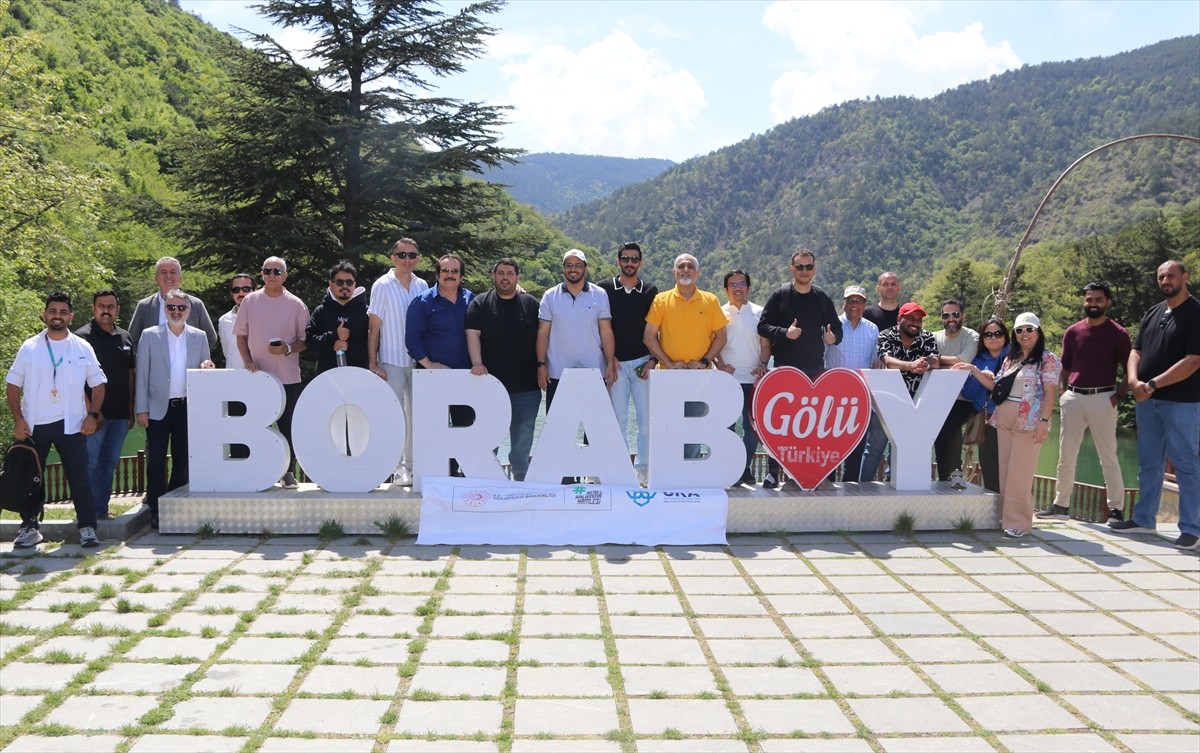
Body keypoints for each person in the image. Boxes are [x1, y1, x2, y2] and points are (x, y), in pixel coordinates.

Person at [1110, 261, 1200, 550]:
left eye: (1171, 275)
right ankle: (1144, 519)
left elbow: (1193, 360)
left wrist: (1153, 384)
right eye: (1161, 276)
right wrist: (1134, 380)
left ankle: (1192, 529)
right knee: (1148, 462)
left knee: (1186, 463)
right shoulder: (1153, 312)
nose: (1166, 280)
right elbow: (1136, 350)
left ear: (1185, 277)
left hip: (1181, 401)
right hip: (1146, 400)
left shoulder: (1196, 313)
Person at [6, 292, 106, 549]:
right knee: (30, 478)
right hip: (34, 424)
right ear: (45, 314)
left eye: (63, 312)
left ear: (70, 317)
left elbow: (98, 384)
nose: (57, 316)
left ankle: (86, 527)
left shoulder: (82, 347)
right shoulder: (29, 347)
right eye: (53, 311)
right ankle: (29, 527)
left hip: (71, 424)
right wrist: (18, 419)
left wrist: (93, 415)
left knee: (79, 476)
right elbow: (13, 385)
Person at [1037, 282, 1131, 523]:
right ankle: (1061, 505)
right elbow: (1065, 367)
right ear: (1084, 301)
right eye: (1089, 300)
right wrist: (1063, 393)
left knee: (1107, 456)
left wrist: (1118, 395)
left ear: (1107, 302)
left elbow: (1130, 369)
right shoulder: (1073, 331)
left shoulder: (1118, 334)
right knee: (1066, 455)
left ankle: (1116, 510)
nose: (1093, 304)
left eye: (1098, 300)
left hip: (1104, 398)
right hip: (1074, 398)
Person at [963, 312, 1060, 539]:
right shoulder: (1010, 359)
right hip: (1003, 417)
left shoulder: (1048, 359)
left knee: (1020, 472)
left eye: (1029, 329)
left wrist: (1044, 422)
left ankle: (1020, 522)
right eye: (1019, 330)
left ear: (1038, 332)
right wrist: (974, 371)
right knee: (1005, 470)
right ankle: (1006, 518)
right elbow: (995, 387)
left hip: (1029, 420)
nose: (1024, 334)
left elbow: (1049, 393)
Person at [757, 248, 841, 488]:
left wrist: (833, 338)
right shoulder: (781, 295)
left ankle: (814, 473)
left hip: (816, 371)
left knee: (814, 426)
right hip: (785, 369)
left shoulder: (821, 297)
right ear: (792, 268)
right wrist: (785, 333)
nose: (804, 271)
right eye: (800, 267)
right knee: (780, 425)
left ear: (814, 269)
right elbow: (762, 327)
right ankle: (774, 473)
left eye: (808, 266)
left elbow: (836, 328)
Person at [135, 289, 215, 529]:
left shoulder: (199, 336)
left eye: (181, 308)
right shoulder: (150, 335)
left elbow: (205, 371)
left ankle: (176, 505)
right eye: (171, 308)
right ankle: (157, 510)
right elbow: (142, 374)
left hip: (187, 408)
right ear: (164, 309)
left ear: (189, 311)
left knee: (183, 461)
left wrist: (207, 367)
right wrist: (141, 409)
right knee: (156, 461)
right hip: (157, 408)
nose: (176, 312)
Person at [644, 254, 729, 460]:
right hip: (668, 376)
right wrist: (668, 363)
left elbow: (722, 336)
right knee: (667, 426)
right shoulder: (661, 300)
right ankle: (668, 472)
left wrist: (704, 361)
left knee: (695, 426)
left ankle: (691, 471)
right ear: (674, 272)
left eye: (690, 266)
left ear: (697, 273)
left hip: (699, 377)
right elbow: (649, 336)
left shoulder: (710, 300)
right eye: (680, 266)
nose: (685, 270)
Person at [235, 256, 309, 489]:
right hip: (257, 376)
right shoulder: (250, 301)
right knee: (255, 425)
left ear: (285, 275)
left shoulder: (296, 304)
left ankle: (288, 472)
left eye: (277, 271)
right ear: (262, 274)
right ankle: (258, 469)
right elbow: (241, 336)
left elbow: (304, 341)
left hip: (287, 377)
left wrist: (286, 348)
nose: (272, 275)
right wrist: (247, 361)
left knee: (287, 426)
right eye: (267, 271)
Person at [466, 258, 541, 481]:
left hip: (526, 383)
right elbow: (472, 335)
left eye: (510, 273)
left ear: (518, 277)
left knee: (524, 431)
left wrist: (541, 366)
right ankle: (487, 475)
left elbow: (542, 338)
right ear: (494, 275)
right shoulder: (480, 303)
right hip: (489, 383)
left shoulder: (531, 304)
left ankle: (520, 474)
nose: (505, 277)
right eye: (501, 273)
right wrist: (477, 363)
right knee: (489, 432)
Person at [367, 238, 429, 485]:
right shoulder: (381, 285)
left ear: (418, 258)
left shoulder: (422, 285)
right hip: (390, 360)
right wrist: (373, 363)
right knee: (394, 416)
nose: (407, 260)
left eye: (412, 255)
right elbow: (374, 327)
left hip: (419, 361)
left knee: (417, 416)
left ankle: (412, 467)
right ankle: (394, 468)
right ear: (392, 258)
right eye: (401, 255)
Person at [407, 254, 474, 477]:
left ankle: (457, 472)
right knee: (433, 427)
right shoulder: (423, 302)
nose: (449, 275)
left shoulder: (471, 300)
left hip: (464, 376)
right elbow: (412, 338)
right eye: (445, 271)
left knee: (464, 426)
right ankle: (435, 474)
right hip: (431, 376)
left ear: (461, 276)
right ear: (437, 275)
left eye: (454, 271)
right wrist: (428, 364)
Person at [599, 242, 658, 486]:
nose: (630, 263)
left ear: (641, 262)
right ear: (618, 261)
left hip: (643, 363)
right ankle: (621, 469)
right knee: (618, 420)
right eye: (625, 258)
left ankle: (643, 469)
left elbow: (658, 328)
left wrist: (654, 359)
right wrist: (608, 358)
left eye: (634, 259)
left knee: (645, 423)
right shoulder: (603, 289)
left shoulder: (651, 290)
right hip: (616, 365)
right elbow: (601, 327)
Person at [75, 290, 135, 521]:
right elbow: (76, 380)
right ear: (93, 308)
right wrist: (91, 411)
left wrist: (130, 407)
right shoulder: (82, 338)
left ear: (117, 310)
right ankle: (86, 513)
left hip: (120, 414)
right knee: (90, 464)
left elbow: (130, 374)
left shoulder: (125, 337)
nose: (106, 310)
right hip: (93, 415)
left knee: (109, 464)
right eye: (101, 306)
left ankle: (100, 510)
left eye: (111, 306)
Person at [865, 301, 940, 483]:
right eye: (910, 318)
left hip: (915, 403)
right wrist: (912, 366)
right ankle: (861, 487)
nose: (915, 322)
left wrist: (926, 364)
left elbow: (935, 360)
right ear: (899, 319)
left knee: (904, 448)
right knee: (875, 447)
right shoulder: (886, 335)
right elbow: (887, 359)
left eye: (919, 319)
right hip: (886, 401)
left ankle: (897, 485)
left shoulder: (927, 337)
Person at [536, 249, 618, 409]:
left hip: (595, 371)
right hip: (557, 373)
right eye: (569, 265)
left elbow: (606, 332)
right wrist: (541, 365)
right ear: (563, 268)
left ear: (585, 268)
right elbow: (542, 333)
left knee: (594, 431)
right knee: (558, 430)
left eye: (578, 265)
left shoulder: (600, 294)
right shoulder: (550, 295)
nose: (573, 269)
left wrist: (609, 363)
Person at [718, 270, 770, 485]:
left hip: (753, 381)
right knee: (726, 429)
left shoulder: (760, 313)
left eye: (742, 284)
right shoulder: (718, 313)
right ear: (726, 289)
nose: (737, 288)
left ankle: (744, 468)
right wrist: (720, 364)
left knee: (752, 431)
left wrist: (763, 365)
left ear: (748, 287)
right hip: (727, 380)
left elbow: (766, 345)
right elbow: (714, 344)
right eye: (733, 284)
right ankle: (729, 470)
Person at [824, 285, 879, 483]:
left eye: (859, 301)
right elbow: (821, 357)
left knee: (856, 444)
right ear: (843, 303)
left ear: (865, 304)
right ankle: (826, 483)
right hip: (833, 396)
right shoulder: (831, 325)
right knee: (830, 444)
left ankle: (851, 486)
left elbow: (875, 359)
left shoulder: (873, 329)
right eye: (850, 300)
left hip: (860, 396)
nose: (854, 304)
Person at [957, 317, 1009, 493]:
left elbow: (1001, 389)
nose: (993, 337)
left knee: (1012, 462)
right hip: (986, 416)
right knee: (989, 463)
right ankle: (995, 505)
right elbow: (969, 393)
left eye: (998, 333)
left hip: (1011, 417)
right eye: (988, 334)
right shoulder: (978, 360)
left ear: (1005, 336)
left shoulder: (1015, 357)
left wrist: (977, 373)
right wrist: (977, 375)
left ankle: (1013, 508)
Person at [933, 299, 980, 483]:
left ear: (963, 316)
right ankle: (946, 478)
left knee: (951, 427)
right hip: (937, 398)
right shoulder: (934, 337)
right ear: (942, 318)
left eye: (955, 314)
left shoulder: (972, 337)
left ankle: (954, 476)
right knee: (937, 434)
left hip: (962, 398)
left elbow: (963, 360)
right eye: (946, 315)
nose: (951, 318)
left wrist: (937, 359)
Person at [128, 256, 217, 353]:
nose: (168, 276)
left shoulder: (195, 304)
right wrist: (146, 357)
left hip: (187, 366)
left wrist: (196, 355)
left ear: (180, 278)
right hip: (156, 367)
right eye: (163, 272)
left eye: (173, 272)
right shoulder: (144, 306)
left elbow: (210, 337)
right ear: (156, 278)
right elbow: (133, 339)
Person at [306, 260, 370, 373]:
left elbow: (374, 345)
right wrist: (334, 335)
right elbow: (310, 344)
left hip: (360, 376)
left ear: (355, 284)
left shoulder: (367, 312)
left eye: (349, 282)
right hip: (327, 377)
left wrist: (348, 347)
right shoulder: (321, 311)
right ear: (331, 284)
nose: (345, 286)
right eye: (340, 282)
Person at [218, 274, 255, 369]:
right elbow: (226, 352)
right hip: (233, 378)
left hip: (261, 377)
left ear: (254, 291)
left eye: (246, 289)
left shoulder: (265, 317)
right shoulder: (224, 320)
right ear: (232, 294)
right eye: (236, 290)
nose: (241, 293)